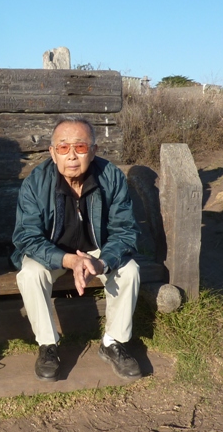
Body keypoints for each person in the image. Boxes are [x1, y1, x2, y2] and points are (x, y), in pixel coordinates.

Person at [11, 116, 142, 382]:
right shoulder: (36, 183)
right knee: (29, 274)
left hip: (98, 252)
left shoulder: (111, 177)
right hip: (52, 253)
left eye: (80, 147)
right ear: (52, 152)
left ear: (93, 151)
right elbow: (27, 237)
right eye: (63, 148)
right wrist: (68, 260)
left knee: (130, 271)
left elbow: (125, 232)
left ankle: (113, 342)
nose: (72, 155)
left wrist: (102, 263)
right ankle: (48, 345)